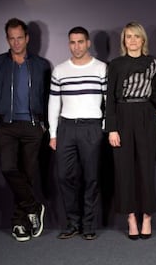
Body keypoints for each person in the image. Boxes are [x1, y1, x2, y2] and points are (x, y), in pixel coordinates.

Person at [0, 18, 51, 242]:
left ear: (27, 38)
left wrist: (44, 125)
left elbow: (47, 96)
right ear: (7, 39)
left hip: (33, 126)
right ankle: (34, 207)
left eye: (20, 38)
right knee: (8, 168)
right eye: (11, 38)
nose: (16, 42)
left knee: (28, 175)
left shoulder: (41, 65)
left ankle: (18, 224)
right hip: (7, 126)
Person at [106, 22, 156, 240]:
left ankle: (147, 217)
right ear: (124, 40)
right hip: (122, 115)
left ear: (143, 40)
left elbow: (155, 89)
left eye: (136, 36)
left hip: (146, 116)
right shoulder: (115, 64)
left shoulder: (152, 62)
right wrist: (111, 128)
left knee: (146, 168)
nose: (132, 40)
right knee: (124, 170)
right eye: (128, 36)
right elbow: (110, 97)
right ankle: (131, 217)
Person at [48, 27, 107, 240]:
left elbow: (109, 101)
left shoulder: (101, 68)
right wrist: (53, 134)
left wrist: (104, 127)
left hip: (92, 127)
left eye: (80, 42)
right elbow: (53, 103)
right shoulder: (60, 70)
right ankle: (73, 223)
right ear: (68, 44)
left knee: (91, 178)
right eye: (72, 42)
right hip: (66, 127)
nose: (77, 46)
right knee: (64, 176)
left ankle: (88, 224)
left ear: (88, 43)